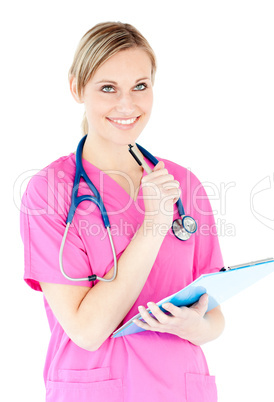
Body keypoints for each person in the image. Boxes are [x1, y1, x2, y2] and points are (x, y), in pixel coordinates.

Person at [20, 21, 225, 402]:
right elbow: (87, 330)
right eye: (108, 88)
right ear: (77, 88)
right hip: (98, 390)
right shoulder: (51, 192)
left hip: (181, 387)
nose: (127, 105)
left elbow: (214, 314)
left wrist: (195, 327)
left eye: (140, 87)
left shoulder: (183, 184)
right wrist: (154, 225)